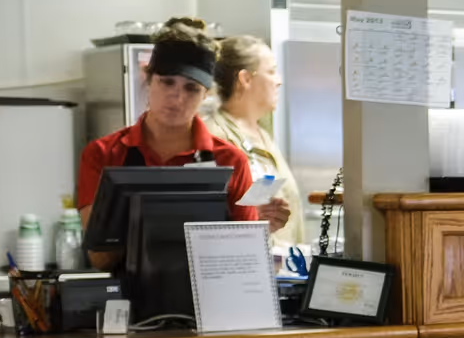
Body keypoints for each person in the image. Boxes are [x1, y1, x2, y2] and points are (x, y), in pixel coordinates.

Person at [77, 17, 292, 266]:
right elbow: (100, 257)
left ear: (205, 94)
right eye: (167, 82)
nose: (177, 98)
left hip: (206, 300)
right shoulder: (103, 154)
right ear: (147, 78)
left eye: (191, 88)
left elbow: (240, 260)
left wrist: (257, 230)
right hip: (128, 300)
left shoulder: (229, 161)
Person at [204, 36, 306, 247]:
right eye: (271, 71)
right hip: (246, 270)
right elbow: (204, 220)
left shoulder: (264, 136)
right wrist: (248, 218)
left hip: (286, 272)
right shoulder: (215, 137)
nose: (279, 80)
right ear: (245, 79)